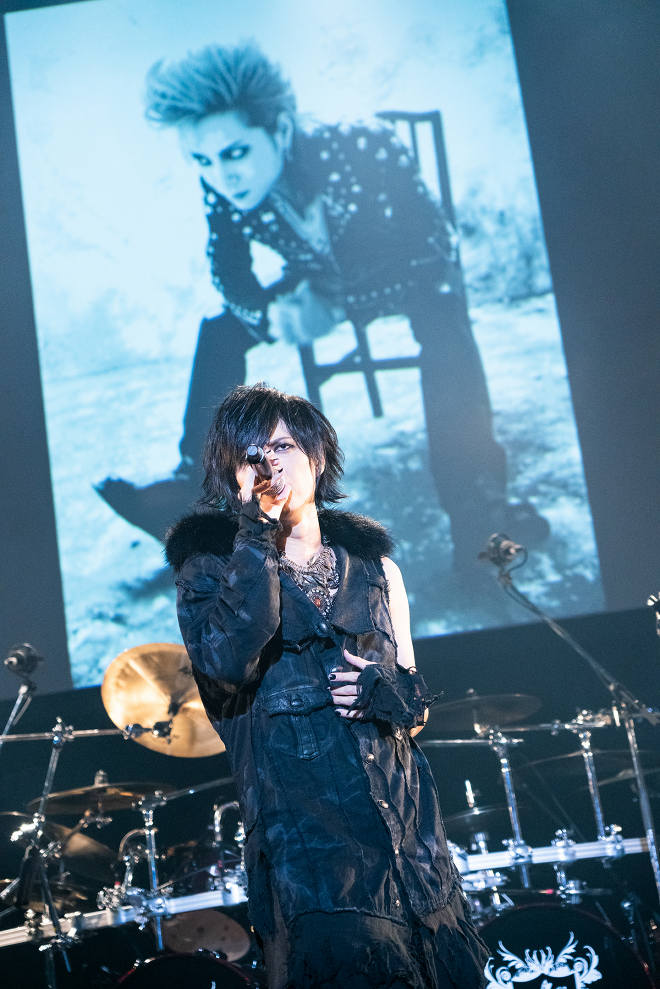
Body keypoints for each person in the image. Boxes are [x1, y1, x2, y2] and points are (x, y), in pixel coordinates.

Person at [99, 42, 548, 569]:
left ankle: (479, 503)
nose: (221, 174)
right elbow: (229, 271)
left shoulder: (362, 144)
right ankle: (196, 495)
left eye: (236, 153)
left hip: (398, 273)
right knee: (221, 328)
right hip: (313, 279)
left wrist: (333, 305)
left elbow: (434, 246)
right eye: (202, 160)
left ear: (279, 130)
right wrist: (269, 315)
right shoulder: (220, 181)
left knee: (444, 315)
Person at [165, 383, 489, 988]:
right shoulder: (207, 571)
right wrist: (255, 532)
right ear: (232, 475)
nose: (270, 464)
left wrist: (387, 692)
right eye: (252, 454)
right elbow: (227, 663)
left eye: (283, 446)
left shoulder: (376, 569)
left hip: (412, 848)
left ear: (316, 456)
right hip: (314, 864)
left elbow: (414, 707)